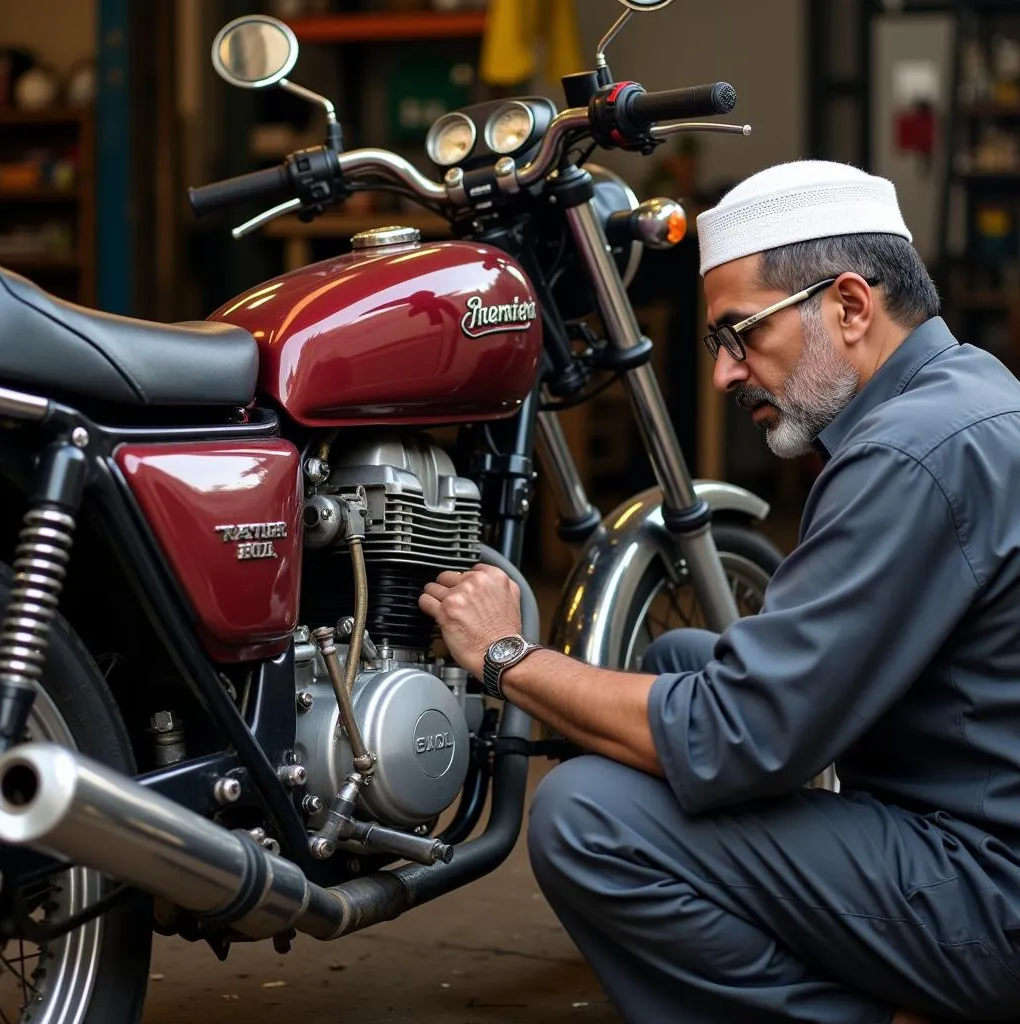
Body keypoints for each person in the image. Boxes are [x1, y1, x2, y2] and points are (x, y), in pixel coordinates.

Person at [418, 160, 1020, 1024]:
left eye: (743, 335)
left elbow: (743, 734)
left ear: (851, 306)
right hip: (972, 825)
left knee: (589, 817)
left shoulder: (908, 453)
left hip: (989, 894)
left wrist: (506, 657)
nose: (725, 374)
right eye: (717, 344)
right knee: (680, 657)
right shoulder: (969, 389)